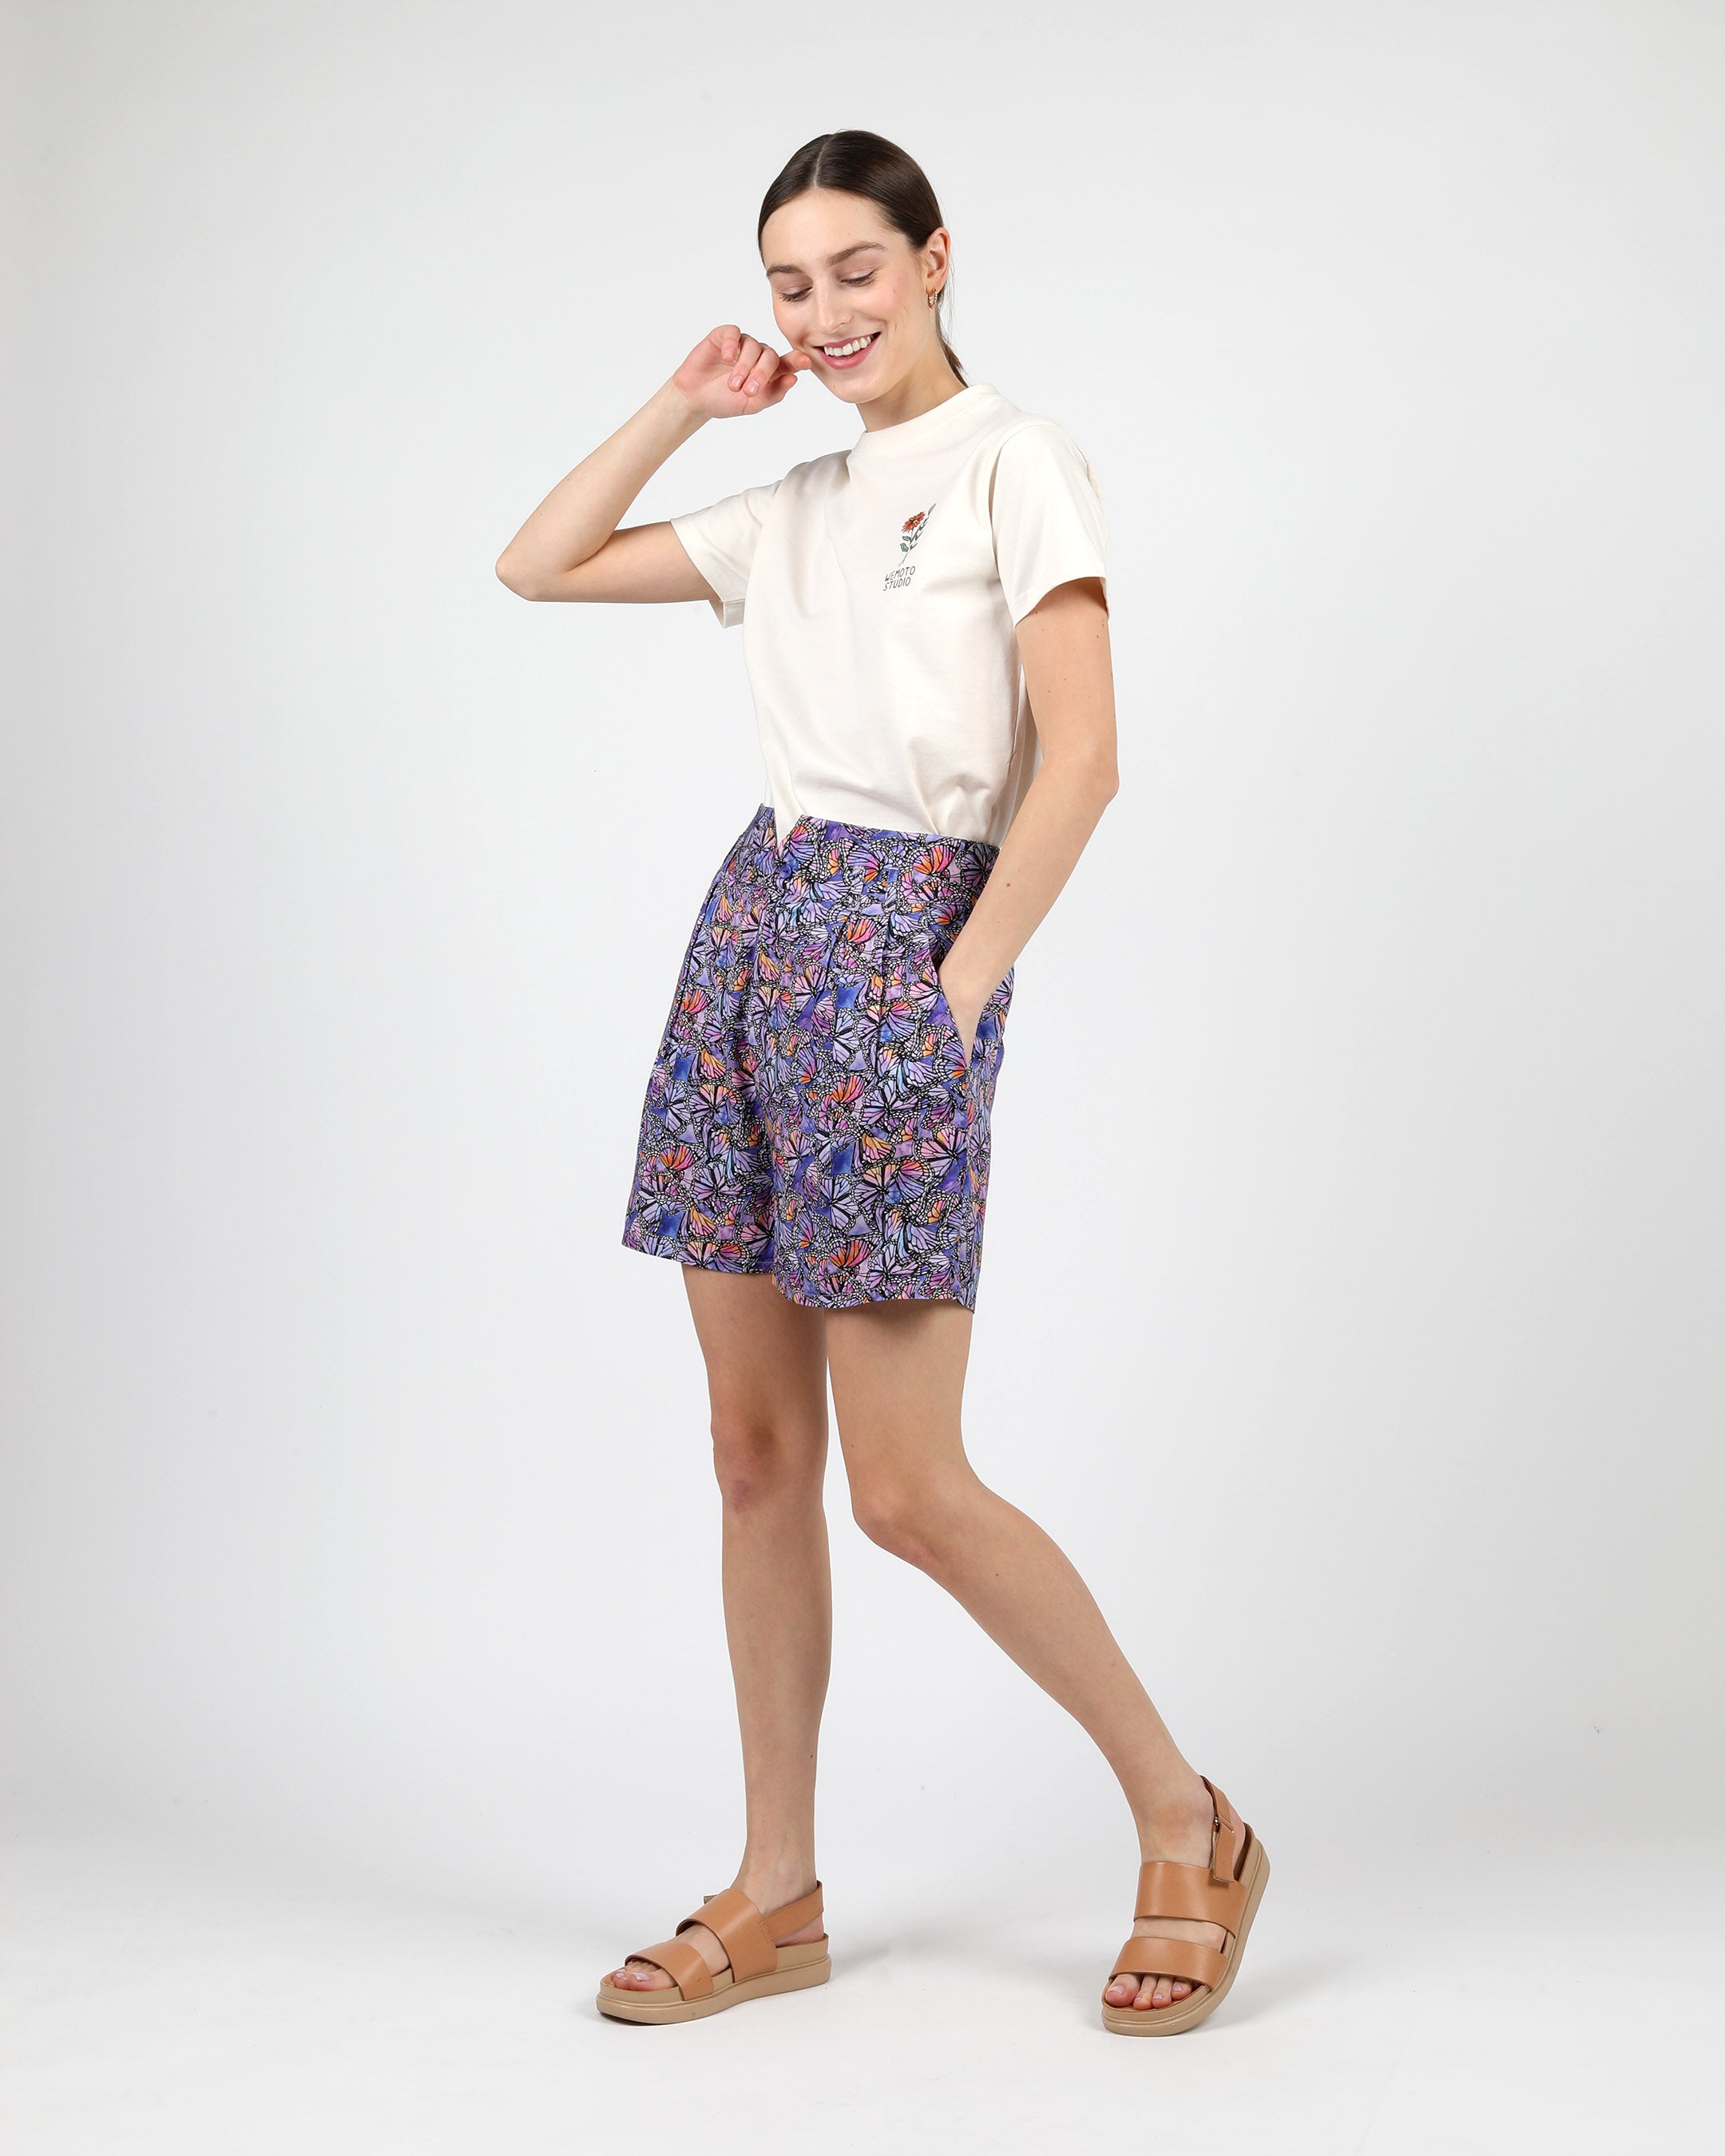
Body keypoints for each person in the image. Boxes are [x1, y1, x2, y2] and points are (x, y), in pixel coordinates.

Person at [496, 129, 1267, 2037]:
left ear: (934, 259)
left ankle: (1189, 1822)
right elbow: (538, 564)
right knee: (754, 1456)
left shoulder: (1016, 461)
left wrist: (955, 993)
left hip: (905, 946)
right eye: (790, 282)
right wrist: (684, 404)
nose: (825, 310)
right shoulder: (792, 503)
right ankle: (778, 1889)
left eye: (857, 268)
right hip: (755, 929)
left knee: (910, 1491)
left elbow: (1082, 756)